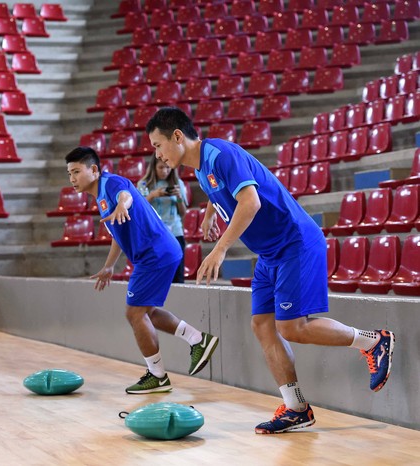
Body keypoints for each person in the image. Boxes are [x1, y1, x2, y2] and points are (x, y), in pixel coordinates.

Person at [146, 107, 395, 434]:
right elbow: (216, 189)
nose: (157, 154)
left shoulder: (221, 154)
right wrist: (209, 215)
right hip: (269, 253)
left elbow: (250, 202)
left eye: (157, 144)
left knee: (292, 328)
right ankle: (296, 409)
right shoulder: (201, 165)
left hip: (295, 242)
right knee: (262, 325)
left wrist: (220, 248)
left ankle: (373, 341)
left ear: (177, 136)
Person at [65, 146, 219, 394]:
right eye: (69, 174)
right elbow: (118, 232)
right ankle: (198, 340)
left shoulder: (111, 183)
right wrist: (108, 266)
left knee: (134, 314)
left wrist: (123, 205)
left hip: (154, 254)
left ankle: (158, 376)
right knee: (145, 312)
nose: (72, 179)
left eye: (76, 172)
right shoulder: (101, 198)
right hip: (159, 253)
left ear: (93, 170)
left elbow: (125, 196)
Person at [137, 156, 188, 283]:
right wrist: (153, 195)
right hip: (154, 234)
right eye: (161, 167)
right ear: (154, 167)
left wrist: (179, 197)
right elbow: (139, 210)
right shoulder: (144, 184)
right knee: (157, 276)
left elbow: (183, 212)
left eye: (167, 167)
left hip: (175, 232)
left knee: (177, 274)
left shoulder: (178, 183)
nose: (165, 171)